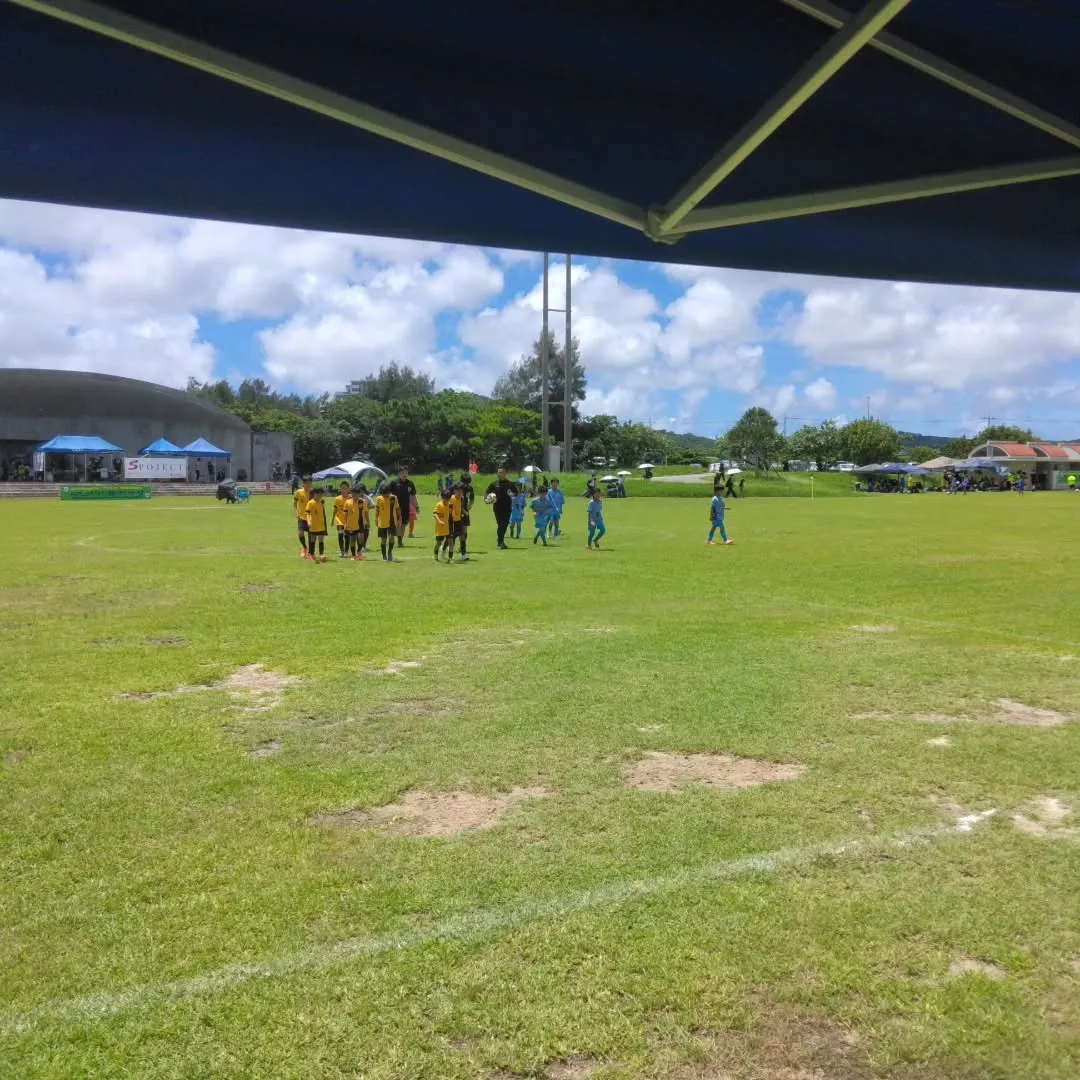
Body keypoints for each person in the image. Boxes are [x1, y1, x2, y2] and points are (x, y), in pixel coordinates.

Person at [485, 467, 519, 549]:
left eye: (501, 472)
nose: (499, 474)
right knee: (501, 524)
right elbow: (487, 492)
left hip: (507, 507)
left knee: (505, 524)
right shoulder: (494, 484)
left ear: (505, 473)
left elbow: (516, 493)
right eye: (498, 472)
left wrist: (512, 494)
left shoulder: (510, 484)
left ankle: (500, 540)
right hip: (497, 507)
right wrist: (486, 500)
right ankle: (501, 542)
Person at [385, 467, 416, 548]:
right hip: (396, 507)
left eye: (406, 473)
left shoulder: (410, 483)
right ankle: (398, 540)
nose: (404, 474)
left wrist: (416, 506)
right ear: (399, 474)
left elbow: (413, 496)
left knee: (404, 524)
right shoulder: (394, 483)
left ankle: (400, 540)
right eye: (403, 473)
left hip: (406, 507)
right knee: (398, 524)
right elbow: (387, 494)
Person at [375, 486, 401, 562]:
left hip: (392, 522)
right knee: (383, 540)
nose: (385, 495)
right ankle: (384, 556)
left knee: (391, 537)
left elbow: (397, 509)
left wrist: (399, 519)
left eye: (386, 494)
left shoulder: (394, 498)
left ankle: (389, 552)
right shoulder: (379, 499)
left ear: (389, 492)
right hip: (382, 522)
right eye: (383, 494)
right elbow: (377, 510)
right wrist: (376, 519)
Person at [305, 486, 329, 562]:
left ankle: (321, 554)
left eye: (322, 495)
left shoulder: (322, 502)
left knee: (321, 540)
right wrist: (308, 521)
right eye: (319, 495)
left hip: (321, 525)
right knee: (313, 539)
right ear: (315, 494)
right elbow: (307, 513)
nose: (320, 496)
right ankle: (311, 554)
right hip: (313, 525)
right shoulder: (310, 503)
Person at [293, 474, 313, 558]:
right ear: (303, 483)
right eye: (307, 483)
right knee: (300, 533)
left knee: (310, 536)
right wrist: (296, 512)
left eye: (310, 483)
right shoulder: (298, 492)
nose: (308, 485)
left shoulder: (313, 493)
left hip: (311, 518)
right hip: (301, 516)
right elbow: (295, 503)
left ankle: (310, 553)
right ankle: (304, 548)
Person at [457, 473, 475, 561]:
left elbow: (472, 498)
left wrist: (470, 505)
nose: (466, 485)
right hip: (456, 511)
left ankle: (463, 549)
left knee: (464, 531)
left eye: (468, 483)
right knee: (454, 532)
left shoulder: (470, 488)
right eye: (465, 483)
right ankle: (445, 548)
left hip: (465, 511)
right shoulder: (456, 487)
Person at [342, 486, 363, 560]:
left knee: (361, 538)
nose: (355, 495)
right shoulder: (348, 502)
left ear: (359, 494)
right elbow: (345, 514)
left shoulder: (363, 502)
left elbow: (366, 512)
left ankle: (359, 552)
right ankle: (354, 555)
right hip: (351, 524)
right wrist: (345, 524)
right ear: (351, 493)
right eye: (353, 493)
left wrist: (367, 521)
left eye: (356, 493)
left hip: (361, 523)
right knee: (352, 540)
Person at [432, 489, 452, 561]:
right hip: (440, 528)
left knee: (450, 541)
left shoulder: (450, 505)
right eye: (446, 499)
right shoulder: (439, 505)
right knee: (439, 543)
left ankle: (450, 558)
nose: (447, 501)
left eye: (448, 499)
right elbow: (434, 514)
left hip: (447, 527)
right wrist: (439, 521)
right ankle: (435, 555)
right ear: (442, 498)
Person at [333, 481, 350, 557]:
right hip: (339, 520)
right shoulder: (337, 499)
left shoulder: (351, 498)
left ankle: (346, 552)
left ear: (348, 489)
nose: (344, 490)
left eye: (345, 488)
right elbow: (335, 509)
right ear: (340, 489)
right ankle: (342, 551)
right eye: (342, 488)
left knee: (347, 536)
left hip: (348, 521)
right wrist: (333, 518)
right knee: (340, 535)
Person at [355, 485, 371, 558]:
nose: (360, 493)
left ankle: (361, 547)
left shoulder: (366, 498)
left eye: (362, 491)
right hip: (354, 519)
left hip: (363, 519)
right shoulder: (352, 497)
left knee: (363, 533)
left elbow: (373, 505)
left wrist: (366, 508)